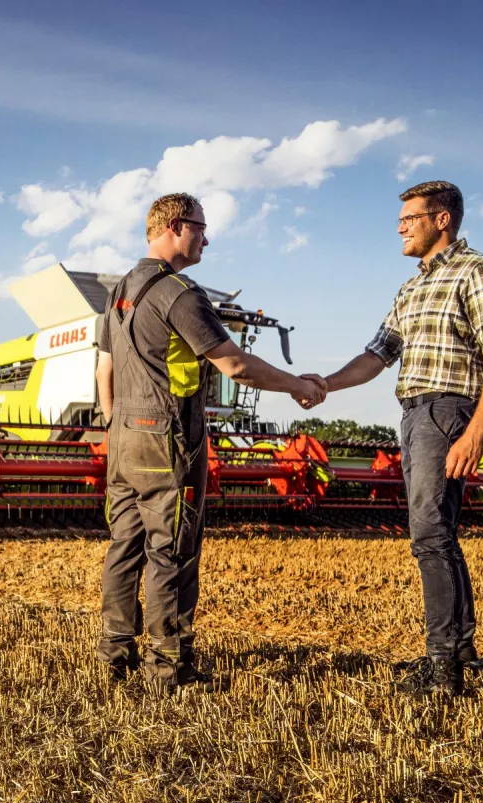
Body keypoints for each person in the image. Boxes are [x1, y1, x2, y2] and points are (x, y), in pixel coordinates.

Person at [95, 192, 325, 690]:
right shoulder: (180, 293)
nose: (206, 237)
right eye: (200, 227)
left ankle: (114, 655)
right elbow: (234, 364)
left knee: (123, 547)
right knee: (172, 552)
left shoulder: (117, 294)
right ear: (176, 226)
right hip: (168, 441)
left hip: (124, 440)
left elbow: (105, 370)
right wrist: (298, 385)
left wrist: (115, 428)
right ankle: (169, 668)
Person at [305, 180, 483, 697]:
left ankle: (442, 667)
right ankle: (461, 650)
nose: (400, 227)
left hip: (448, 411)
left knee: (429, 533)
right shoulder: (412, 288)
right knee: (439, 530)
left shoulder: (478, 272)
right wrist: (325, 385)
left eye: (411, 218)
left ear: (442, 219)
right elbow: (377, 355)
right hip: (414, 414)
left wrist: (476, 432)